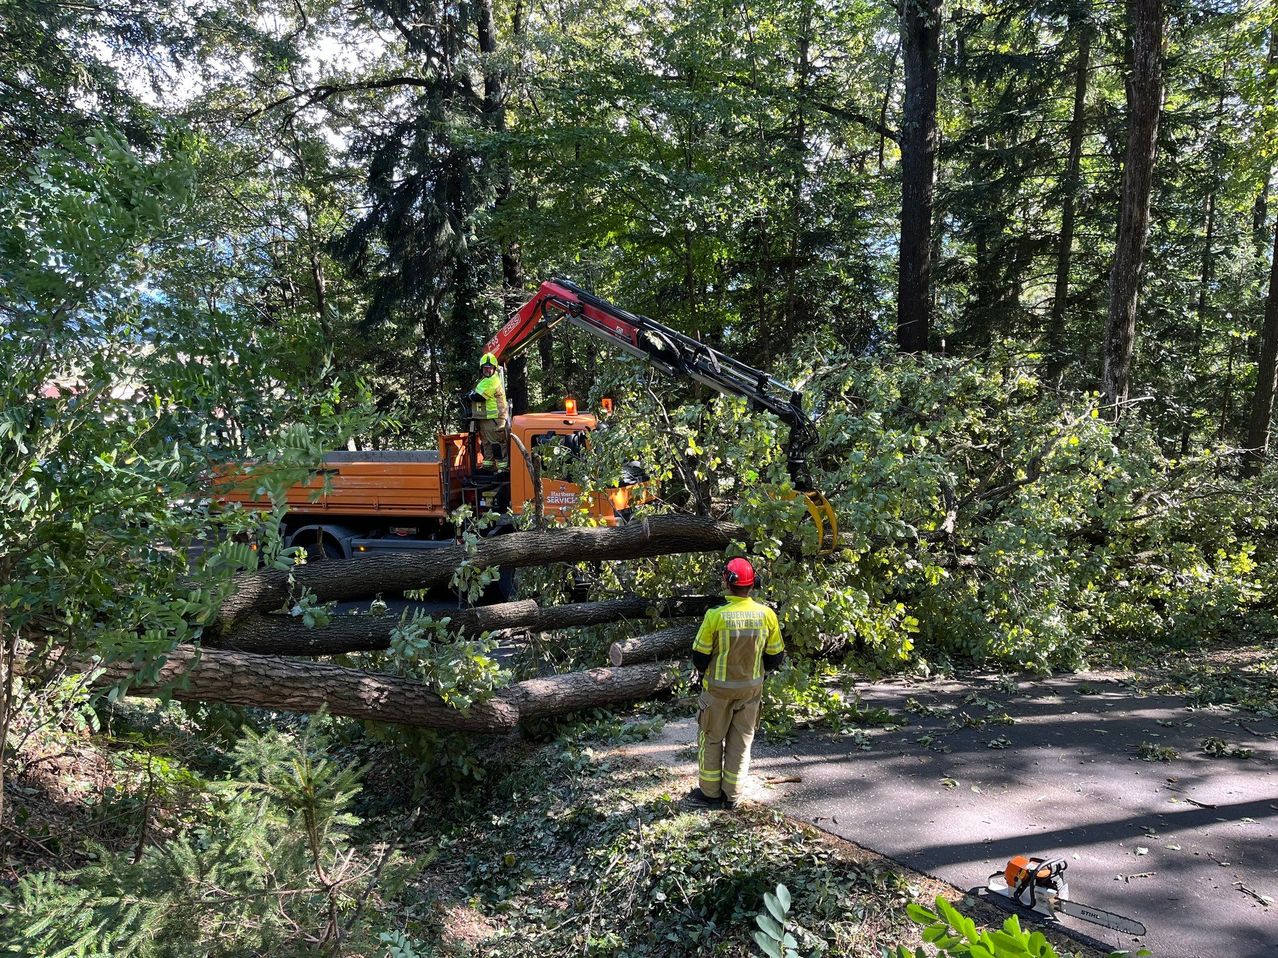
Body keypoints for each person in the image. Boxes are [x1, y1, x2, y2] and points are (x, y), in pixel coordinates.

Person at [689, 557, 785, 809]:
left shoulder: (715, 616)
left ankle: (710, 794)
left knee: (710, 739)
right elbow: (776, 656)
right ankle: (732, 795)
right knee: (741, 743)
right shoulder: (767, 615)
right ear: (753, 584)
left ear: (726, 582)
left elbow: (699, 656)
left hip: (717, 691)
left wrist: (705, 673)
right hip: (750, 691)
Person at [469, 352, 508, 469]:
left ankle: (502, 469)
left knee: (497, 444)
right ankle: (488, 467)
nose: (487, 370)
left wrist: (470, 396)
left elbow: (479, 396)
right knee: (486, 444)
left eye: (490, 368)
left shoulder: (493, 381)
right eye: (485, 368)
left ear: (494, 368)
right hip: (485, 419)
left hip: (494, 420)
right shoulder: (485, 381)